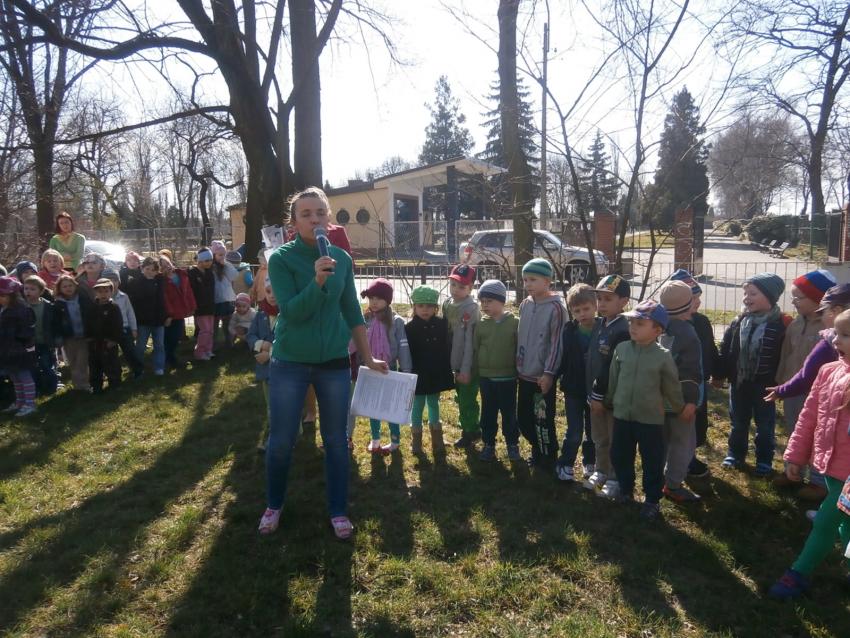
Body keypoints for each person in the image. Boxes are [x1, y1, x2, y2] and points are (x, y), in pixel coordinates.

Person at [260, 186, 387, 539]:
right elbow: (292, 312)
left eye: (320, 212)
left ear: (328, 218)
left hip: (333, 362)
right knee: (281, 440)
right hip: (290, 362)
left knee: (336, 440)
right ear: (294, 222)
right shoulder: (281, 259)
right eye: (306, 214)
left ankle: (338, 510)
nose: (314, 219)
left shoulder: (342, 259)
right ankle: (273, 504)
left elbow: (352, 311)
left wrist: (367, 356)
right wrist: (317, 280)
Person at [767, 308, 850, 600]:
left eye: (845, 335)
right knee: (846, 522)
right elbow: (809, 416)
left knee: (826, 520)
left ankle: (797, 573)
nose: (835, 340)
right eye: (836, 333)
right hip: (830, 466)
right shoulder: (828, 371)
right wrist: (795, 455)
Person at [766, 283, 850, 503]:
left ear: (837, 311)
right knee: (811, 433)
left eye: (824, 311)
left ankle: (819, 483)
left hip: (824, 402)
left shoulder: (829, 341)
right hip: (818, 398)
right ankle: (804, 474)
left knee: (824, 439)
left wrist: (782, 390)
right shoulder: (825, 338)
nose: (821, 317)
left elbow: (806, 374)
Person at [606, 300, 686, 521]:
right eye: (632, 322)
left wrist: (678, 407)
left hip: (650, 419)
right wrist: (610, 399)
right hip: (622, 415)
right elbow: (613, 377)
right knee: (620, 454)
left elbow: (672, 385)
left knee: (652, 460)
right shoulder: (622, 349)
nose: (633, 327)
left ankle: (652, 499)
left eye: (640, 323)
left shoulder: (662, 356)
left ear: (657, 330)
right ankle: (625, 489)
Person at [716, 273, 789, 476]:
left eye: (753, 293)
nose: (746, 298)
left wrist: (783, 383)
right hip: (739, 382)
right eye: (745, 293)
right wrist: (719, 373)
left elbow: (784, 356)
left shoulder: (780, 325)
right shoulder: (739, 321)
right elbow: (726, 348)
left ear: (770, 297)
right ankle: (735, 453)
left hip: (765, 385)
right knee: (738, 422)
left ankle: (764, 459)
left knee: (765, 424)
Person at [516, 258, 567, 469]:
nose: (528, 284)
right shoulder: (525, 304)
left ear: (547, 281)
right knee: (523, 418)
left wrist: (548, 373)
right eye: (525, 280)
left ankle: (547, 455)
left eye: (533, 279)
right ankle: (537, 448)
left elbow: (556, 343)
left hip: (541, 377)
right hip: (523, 373)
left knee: (543, 419)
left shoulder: (556, 308)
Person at [585, 274, 632, 497]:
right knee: (599, 437)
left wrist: (600, 395)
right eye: (599, 299)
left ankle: (616, 477)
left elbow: (613, 367)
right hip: (594, 395)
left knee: (615, 440)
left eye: (608, 299)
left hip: (612, 398)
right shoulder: (600, 324)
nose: (601, 304)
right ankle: (601, 470)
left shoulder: (624, 329)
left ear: (624, 301)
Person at [670, 269, 719, 478]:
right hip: (677, 384)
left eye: (698, 297)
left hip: (699, 382)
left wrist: (718, 372)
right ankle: (680, 462)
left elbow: (711, 349)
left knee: (697, 423)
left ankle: (689, 456)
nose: (697, 302)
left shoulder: (702, 322)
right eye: (693, 298)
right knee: (679, 425)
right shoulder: (668, 326)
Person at [658, 281, 702, 502]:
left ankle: (657, 479)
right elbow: (690, 371)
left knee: (661, 441)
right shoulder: (688, 334)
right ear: (689, 305)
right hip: (680, 402)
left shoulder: (656, 327)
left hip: (657, 399)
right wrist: (691, 401)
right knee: (683, 443)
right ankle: (673, 485)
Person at [356, 278, 412, 454]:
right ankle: (375, 438)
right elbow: (359, 341)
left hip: (390, 368)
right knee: (373, 406)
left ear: (387, 301)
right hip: (371, 367)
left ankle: (395, 439)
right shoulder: (365, 319)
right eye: (371, 298)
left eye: (379, 298)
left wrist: (406, 369)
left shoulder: (396, 321)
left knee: (390, 406)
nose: (374, 302)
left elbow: (403, 345)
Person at [473, 279, 520, 462]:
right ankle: (488, 444)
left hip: (508, 377)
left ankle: (512, 444)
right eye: (482, 301)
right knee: (488, 413)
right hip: (486, 378)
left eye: (489, 301)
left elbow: (519, 347)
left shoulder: (514, 323)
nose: (485, 305)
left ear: (501, 301)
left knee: (509, 414)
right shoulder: (481, 324)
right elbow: (476, 347)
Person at [556, 283, 598, 482]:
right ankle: (565, 463)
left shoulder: (603, 329)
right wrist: (556, 377)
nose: (582, 314)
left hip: (595, 390)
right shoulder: (569, 330)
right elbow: (563, 357)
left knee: (593, 430)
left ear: (595, 306)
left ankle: (590, 461)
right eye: (577, 311)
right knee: (574, 430)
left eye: (586, 309)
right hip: (573, 388)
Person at [405, 285, 454, 454]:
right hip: (418, 374)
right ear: (414, 307)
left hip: (435, 373)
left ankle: (437, 439)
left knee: (433, 402)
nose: (425, 310)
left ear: (435, 308)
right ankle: (416, 440)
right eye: (420, 306)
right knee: (417, 405)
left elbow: (447, 347)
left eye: (429, 306)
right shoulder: (409, 328)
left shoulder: (442, 325)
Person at [442, 264, 481, 448]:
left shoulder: (471, 309)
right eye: (453, 285)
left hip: (468, 363)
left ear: (471, 287)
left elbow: (470, 343)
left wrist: (465, 369)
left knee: (467, 398)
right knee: (461, 396)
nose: (456, 290)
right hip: (454, 360)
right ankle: (467, 425)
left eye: (462, 286)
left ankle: (471, 431)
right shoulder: (447, 304)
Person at [247, 280, 278, 453]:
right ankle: (275, 436)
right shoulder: (260, 315)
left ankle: (293, 432)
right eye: (268, 291)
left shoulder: (288, 315)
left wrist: (271, 352)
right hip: (265, 369)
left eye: (276, 291)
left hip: (284, 369)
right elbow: (251, 335)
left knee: (288, 404)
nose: (272, 296)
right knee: (271, 405)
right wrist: (260, 345)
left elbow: (290, 340)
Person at [0, 277, 37, 416]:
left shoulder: (21, 310)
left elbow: (26, 332)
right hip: (6, 350)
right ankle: (20, 402)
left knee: (24, 376)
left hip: (19, 350)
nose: (0, 298)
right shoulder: (4, 309)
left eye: (3, 295)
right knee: (15, 377)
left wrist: (20, 343)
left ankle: (30, 404)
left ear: (13, 295)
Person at [127, 256, 167, 376]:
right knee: (140, 346)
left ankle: (159, 367)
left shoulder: (160, 282)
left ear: (157, 271)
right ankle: (138, 368)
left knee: (159, 345)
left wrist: (165, 316)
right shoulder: (136, 282)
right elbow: (134, 302)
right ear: (142, 268)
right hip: (142, 321)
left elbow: (162, 301)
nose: (150, 272)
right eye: (147, 269)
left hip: (158, 320)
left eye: (153, 270)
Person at [52, 274, 93, 392]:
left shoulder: (82, 299)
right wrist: (59, 337)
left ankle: (85, 384)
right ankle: (77, 385)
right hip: (69, 337)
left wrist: (91, 332)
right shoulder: (58, 304)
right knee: (73, 361)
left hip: (84, 336)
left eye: (70, 285)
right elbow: (56, 323)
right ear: (59, 289)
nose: (68, 288)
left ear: (75, 286)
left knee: (82, 361)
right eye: (64, 286)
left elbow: (90, 315)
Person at [102, 269, 144, 378]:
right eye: (108, 280)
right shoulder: (101, 298)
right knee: (111, 355)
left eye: (114, 280)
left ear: (119, 282)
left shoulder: (124, 296)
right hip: (109, 331)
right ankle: (114, 375)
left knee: (130, 352)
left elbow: (130, 313)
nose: (112, 282)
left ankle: (138, 371)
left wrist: (134, 329)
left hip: (124, 329)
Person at [85, 278, 124, 393]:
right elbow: (87, 323)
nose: (103, 294)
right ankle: (96, 386)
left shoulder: (114, 308)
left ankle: (115, 384)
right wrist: (88, 337)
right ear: (95, 292)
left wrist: (114, 340)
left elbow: (118, 325)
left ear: (111, 292)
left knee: (112, 364)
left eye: (106, 291)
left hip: (109, 342)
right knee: (94, 365)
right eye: (100, 291)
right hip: (94, 342)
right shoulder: (92, 307)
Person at [22, 275, 58, 395]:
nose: (28, 291)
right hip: (28, 343)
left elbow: (54, 324)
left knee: (47, 365)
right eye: (26, 288)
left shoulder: (48, 306)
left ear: (41, 291)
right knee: (32, 367)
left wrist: (55, 338)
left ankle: (52, 387)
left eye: (32, 289)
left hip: (45, 342)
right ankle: (37, 388)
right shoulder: (22, 306)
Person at [160, 255, 196, 370]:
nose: (167, 267)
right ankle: (169, 359)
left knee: (177, 336)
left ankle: (170, 358)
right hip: (169, 314)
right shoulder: (162, 281)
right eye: (163, 267)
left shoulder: (181, 274)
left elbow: (188, 291)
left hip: (180, 311)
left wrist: (192, 306)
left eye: (168, 264)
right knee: (169, 338)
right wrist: (169, 315)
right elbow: (165, 299)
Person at [188, 248, 216, 361]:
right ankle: (199, 352)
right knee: (205, 330)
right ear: (200, 260)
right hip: (200, 307)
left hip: (210, 305)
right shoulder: (192, 273)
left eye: (211, 260)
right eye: (207, 260)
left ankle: (208, 349)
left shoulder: (209, 272)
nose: (209, 262)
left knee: (211, 330)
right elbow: (192, 290)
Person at [211, 240, 238, 347]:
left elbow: (234, 276)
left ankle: (229, 341)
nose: (222, 257)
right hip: (216, 299)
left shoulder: (227, 265)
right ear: (214, 255)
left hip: (228, 298)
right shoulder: (211, 267)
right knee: (215, 323)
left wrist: (226, 266)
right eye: (220, 255)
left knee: (228, 322)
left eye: (224, 254)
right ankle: (213, 343)